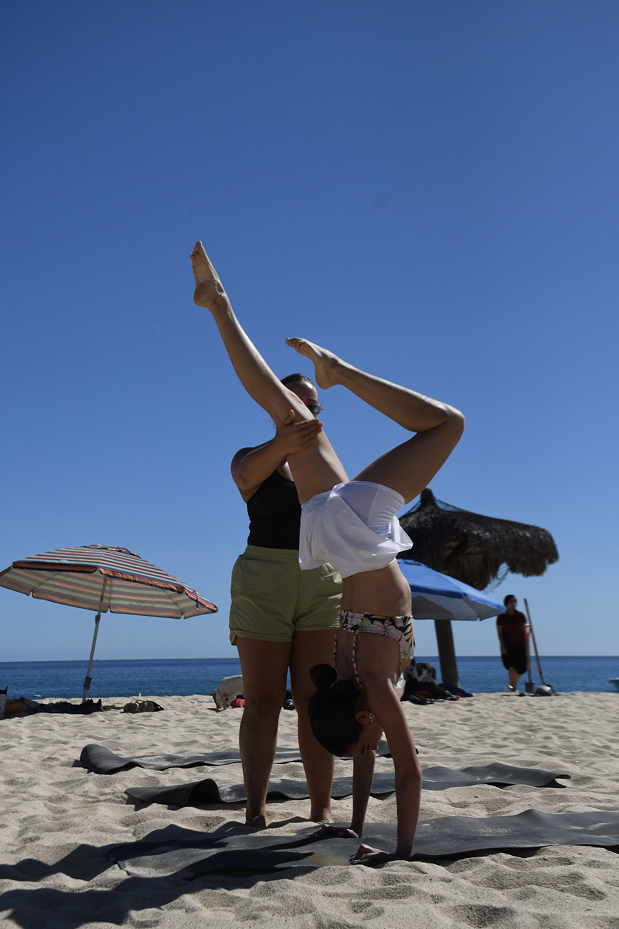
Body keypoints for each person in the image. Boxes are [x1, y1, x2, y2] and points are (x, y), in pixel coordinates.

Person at [191, 241, 465, 864]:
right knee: (445, 424)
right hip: (351, 536)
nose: (374, 742)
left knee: (446, 424)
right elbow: (380, 761)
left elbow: (409, 772)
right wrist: (371, 841)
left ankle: (224, 309)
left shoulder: (366, 681)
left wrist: (392, 851)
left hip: (351, 539)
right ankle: (324, 363)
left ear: (363, 719)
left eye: (366, 738)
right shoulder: (358, 682)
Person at [230, 371, 342, 827]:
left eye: (313, 406)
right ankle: (255, 811)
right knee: (262, 701)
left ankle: (321, 809)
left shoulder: (327, 463)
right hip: (264, 578)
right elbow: (243, 476)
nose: (306, 411)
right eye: (295, 402)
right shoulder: (251, 457)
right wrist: (286, 437)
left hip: (321, 577)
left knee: (317, 698)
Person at [496, 595, 530, 694]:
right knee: (511, 667)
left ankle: (511, 684)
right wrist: (502, 645)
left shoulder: (520, 616)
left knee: (522, 669)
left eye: (515, 602)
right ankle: (513, 689)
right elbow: (500, 633)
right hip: (508, 644)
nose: (513, 604)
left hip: (520, 644)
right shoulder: (501, 617)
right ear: (506, 603)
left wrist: (526, 646)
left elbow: (524, 631)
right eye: (511, 602)